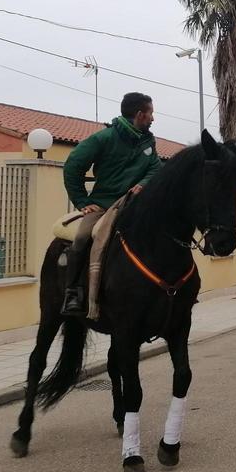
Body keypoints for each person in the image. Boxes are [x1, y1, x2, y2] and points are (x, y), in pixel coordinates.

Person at [60, 92, 161, 315]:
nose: (153, 118)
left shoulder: (148, 141)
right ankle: (73, 292)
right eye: (151, 113)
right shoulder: (103, 138)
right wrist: (81, 201)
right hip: (104, 205)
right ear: (140, 114)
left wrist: (143, 184)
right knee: (82, 237)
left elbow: (155, 167)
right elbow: (72, 166)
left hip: (135, 206)